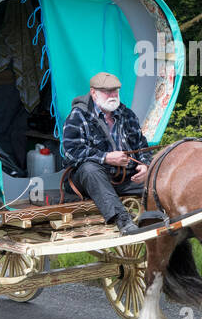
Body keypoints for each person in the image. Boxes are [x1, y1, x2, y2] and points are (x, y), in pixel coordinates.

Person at [61, 72, 150, 235]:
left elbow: (141, 145)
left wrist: (145, 166)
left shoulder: (127, 114)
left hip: (124, 178)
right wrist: (107, 158)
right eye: (107, 92)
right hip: (89, 180)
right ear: (93, 93)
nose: (112, 95)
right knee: (90, 169)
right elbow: (71, 152)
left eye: (115, 91)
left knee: (156, 181)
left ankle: (160, 218)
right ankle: (123, 220)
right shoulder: (78, 116)